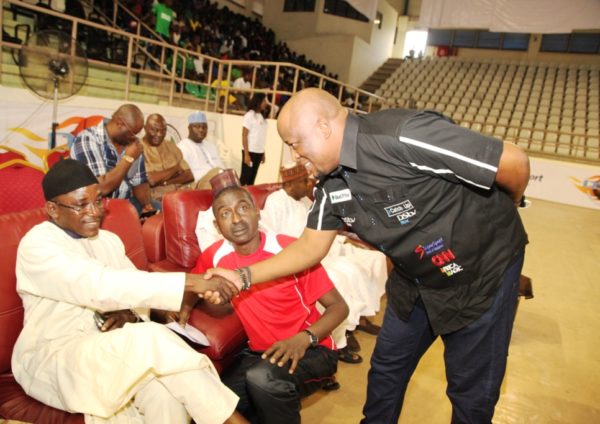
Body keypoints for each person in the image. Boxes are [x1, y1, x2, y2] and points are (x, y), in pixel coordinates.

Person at [207, 87, 531, 423]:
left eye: (294, 143)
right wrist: (244, 276)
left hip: (480, 276)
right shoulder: (331, 183)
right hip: (415, 280)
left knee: (470, 393)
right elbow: (309, 246)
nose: (293, 156)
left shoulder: (401, 135)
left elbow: (513, 163)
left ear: (323, 128)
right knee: (386, 372)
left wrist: (494, 216)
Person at [12, 159, 247, 424]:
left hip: (108, 348)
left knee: (165, 391)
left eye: (98, 201)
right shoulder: (37, 244)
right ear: (53, 209)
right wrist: (190, 283)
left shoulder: (108, 241)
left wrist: (131, 316)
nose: (94, 212)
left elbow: (133, 292)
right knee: (151, 339)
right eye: (81, 205)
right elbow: (97, 285)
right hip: (55, 357)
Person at [192, 170, 348, 424]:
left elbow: (339, 307)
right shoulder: (215, 256)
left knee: (264, 381)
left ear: (257, 211)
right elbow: (193, 283)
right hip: (259, 354)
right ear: (216, 226)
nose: (236, 219)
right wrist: (181, 309)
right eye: (224, 214)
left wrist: (303, 339)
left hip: (313, 350)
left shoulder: (290, 249)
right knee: (217, 403)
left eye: (243, 208)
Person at [261, 162, 389, 361]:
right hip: (301, 260)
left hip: (326, 249)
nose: (308, 184)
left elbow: (321, 230)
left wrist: (340, 239)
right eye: (303, 181)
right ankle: (341, 334)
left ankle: (361, 317)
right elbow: (272, 238)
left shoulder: (304, 200)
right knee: (346, 275)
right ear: (288, 184)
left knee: (375, 259)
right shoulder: (275, 201)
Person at [70, 103, 160, 216]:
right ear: (119, 123)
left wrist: (147, 206)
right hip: (92, 205)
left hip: (124, 203)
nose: (134, 137)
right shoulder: (87, 139)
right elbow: (101, 188)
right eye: (132, 133)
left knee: (159, 210)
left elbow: (139, 183)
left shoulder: (131, 143)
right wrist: (128, 159)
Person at [141, 113, 194, 201]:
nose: (159, 134)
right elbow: (151, 180)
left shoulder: (171, 146)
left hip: (179, 192)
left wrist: (166, 182)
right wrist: (176, 169)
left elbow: (189, 175)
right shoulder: (138, 148)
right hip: (155, 197)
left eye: (163, 130)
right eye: (154, 130)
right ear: (145, 128)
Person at [177, 111, 225, 189]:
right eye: (197, 126)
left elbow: (222, 167)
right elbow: (185, 175)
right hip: (198, 185)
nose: (201, 130)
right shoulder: (183, 147)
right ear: (189, 128)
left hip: (219, 182)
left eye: (204, 127)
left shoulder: (211, 146)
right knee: (217, 171)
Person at [240, 93, 268, 185]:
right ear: (258, 101)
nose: (265, 103)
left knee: (252, 181)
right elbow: (244, 135)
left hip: (258, 152)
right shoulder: (249, 115)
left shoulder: (262, 117)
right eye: (264, 101)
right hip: (250, 152)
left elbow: (261, 136)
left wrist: (263, 152)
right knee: (245, 179)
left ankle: (247, 198)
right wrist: (246, 154)